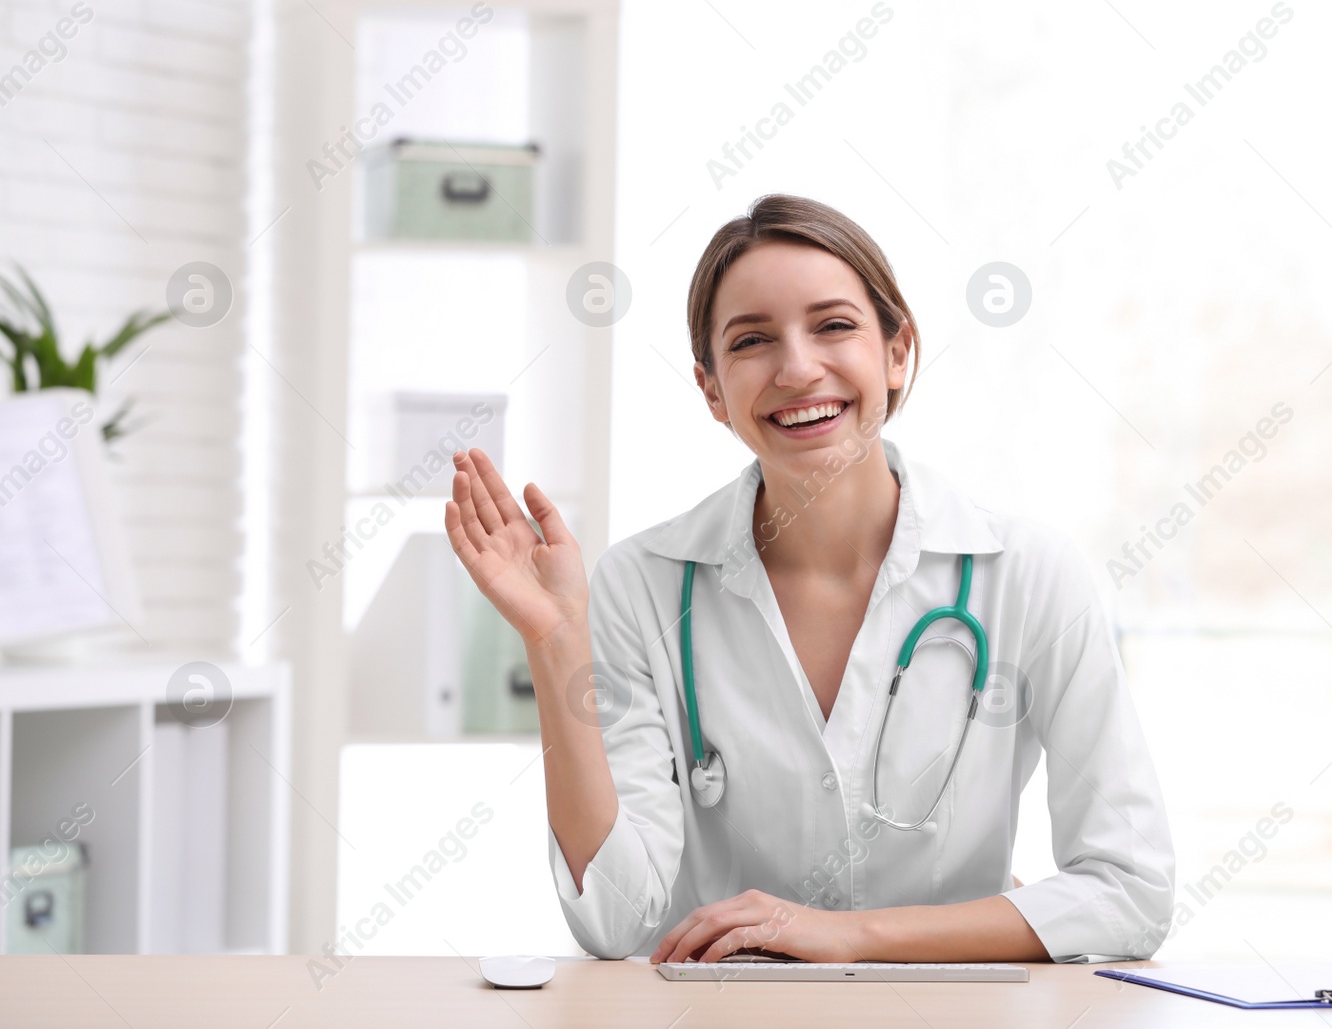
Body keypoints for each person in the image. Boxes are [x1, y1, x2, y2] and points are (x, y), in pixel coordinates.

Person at [444, 194, 1175, 965]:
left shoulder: (1028, 575)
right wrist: (557, 641)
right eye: (753, 340)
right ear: (712, 390)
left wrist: (849, 936)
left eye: (834, 325)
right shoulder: (643, 584)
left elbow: (1131, 890)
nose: (797, 368)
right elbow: (616, 922)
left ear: (897, 352)